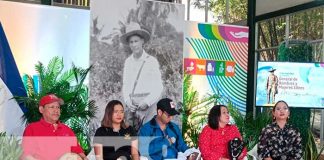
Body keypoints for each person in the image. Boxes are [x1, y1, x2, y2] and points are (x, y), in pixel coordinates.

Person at [121, 22, 164, 131]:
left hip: (148, 106)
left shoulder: (151, 61)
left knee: (146, 139)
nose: (134, 44)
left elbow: (159, 87)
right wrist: (128, 101)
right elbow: (126, 85)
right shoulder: (128, 62)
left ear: (142, 41)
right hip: (132, 107)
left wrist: (147, 102)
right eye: (131, 42)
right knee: (130, 138)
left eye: (136, 41)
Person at [21, 94, 88, 160]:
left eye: (58, 107)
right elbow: (26, 156)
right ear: (41, 109)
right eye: (52, 107)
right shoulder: (32, 129)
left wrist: (85, 158)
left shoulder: (67, 130)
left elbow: (78, 151)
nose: (56, 110)